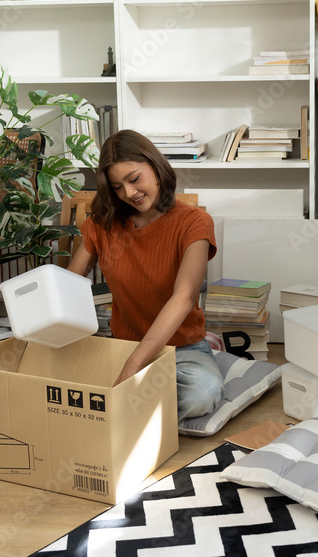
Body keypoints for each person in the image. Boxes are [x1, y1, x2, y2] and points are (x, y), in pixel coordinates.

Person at [66, 130, 224, 421]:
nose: (129, 193)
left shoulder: (194, 222)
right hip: (120, 345)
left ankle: (118, 410)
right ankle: (128, 408)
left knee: (201, 391)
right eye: (117, 186)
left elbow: (185, 297)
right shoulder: (102, 224)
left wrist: (133, 366)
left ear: (155, 165)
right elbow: (69, 284)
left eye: (134, 179)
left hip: (181, 349)